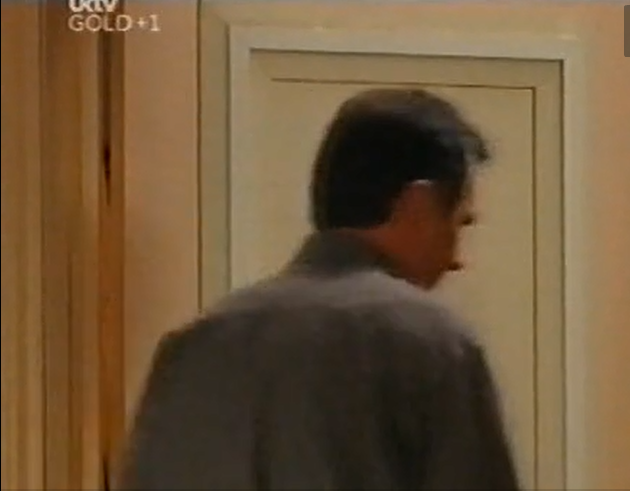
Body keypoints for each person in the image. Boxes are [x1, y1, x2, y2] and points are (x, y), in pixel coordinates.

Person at [118, 88, 520, 490]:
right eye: (459, 223)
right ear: (418, 204)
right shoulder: (433, 343)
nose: (456, 260)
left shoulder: (193, 346)